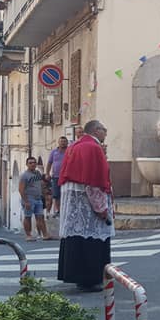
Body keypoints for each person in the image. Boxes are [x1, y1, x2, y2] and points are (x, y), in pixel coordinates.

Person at [57, 120, 114, 292]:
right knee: (91, 240)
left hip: (74, 202)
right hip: (86, 203)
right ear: (96, 131)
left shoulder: (75, 145)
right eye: (104, 130)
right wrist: (101, 209)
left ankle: (78, 277)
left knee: (77, 239)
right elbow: (93, 181)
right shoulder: (93, 148)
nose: (106, 133)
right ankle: (91, 278)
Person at [19, 157, 52, 241]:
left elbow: (41, 184)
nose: (33, 164)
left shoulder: (38, 173)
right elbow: (21, 189)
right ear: (27, 164)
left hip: (38, 198)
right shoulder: (24, 176)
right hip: (29, 198)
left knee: (40, 216)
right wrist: (26, 201)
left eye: (34, 162)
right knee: (28, 217)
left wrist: (45, 193)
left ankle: (45, 234)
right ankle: (28, 235)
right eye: (30, 163)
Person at [46, 136, 68, 217]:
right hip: (56, 177)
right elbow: (49, 163)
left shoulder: (69, 151)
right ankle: (58, 210)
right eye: (61, 141)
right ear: (58, 143)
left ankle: (65, 210)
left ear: (67, 143)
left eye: (64, 141)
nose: (63, 143)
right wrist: (47, 173)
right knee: (56, 195)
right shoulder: (53, 152)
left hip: (67, 177)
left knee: (65, 194)